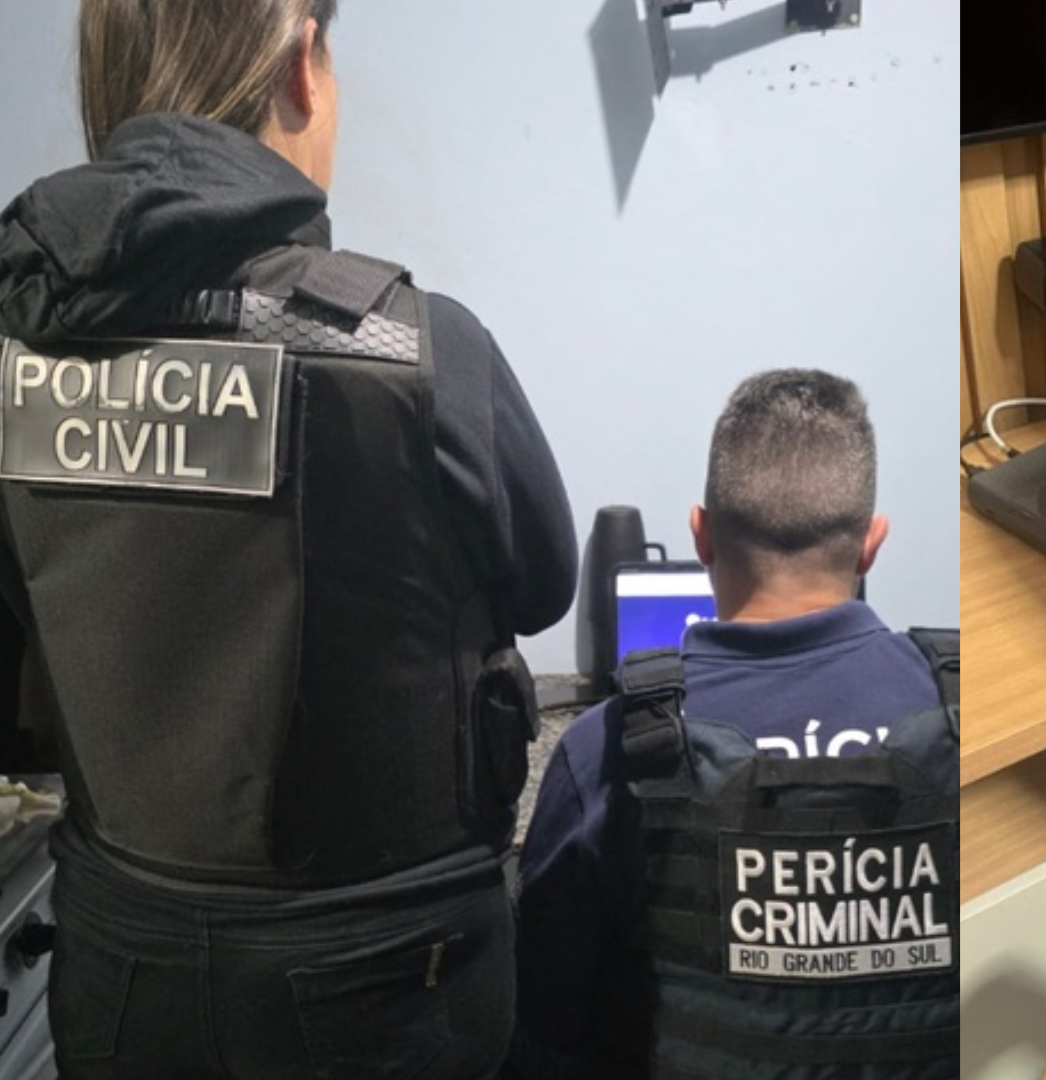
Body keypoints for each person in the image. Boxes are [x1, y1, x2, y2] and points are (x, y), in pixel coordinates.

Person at [0, 2, 576, 1076]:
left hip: (123, 981)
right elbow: (546, 585)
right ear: (303, 65)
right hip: (388, 988)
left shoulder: (16, 348)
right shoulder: (418, 350)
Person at [511, 369, 959, 1079]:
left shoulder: (604, 749)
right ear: (872, 544)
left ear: (702, 536)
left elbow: (544, 1020)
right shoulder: (964, 711)